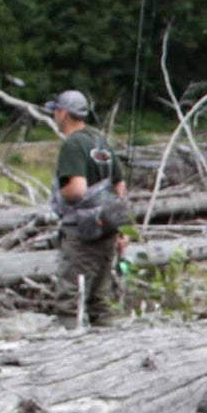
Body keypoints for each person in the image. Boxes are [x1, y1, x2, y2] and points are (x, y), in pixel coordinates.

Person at [47, 89, 128, 327]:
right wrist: (119, 225)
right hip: (107, 230)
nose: (54, 116)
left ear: (63, 113)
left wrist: (61, 194)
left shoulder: (73, 144)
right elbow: (120, 185)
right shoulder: (99, 140)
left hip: (81, 233)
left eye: (56, 111)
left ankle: (69, 349)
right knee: (100, 299)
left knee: (70, 297)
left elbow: (78, 189)